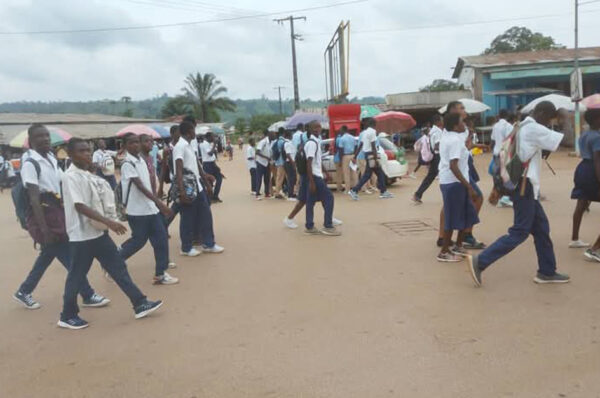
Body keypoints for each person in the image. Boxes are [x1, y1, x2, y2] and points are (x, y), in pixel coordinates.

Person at [59, 138, 162, 329]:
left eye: (88, 151)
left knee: (118, 268)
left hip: (98, 233)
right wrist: (110, 222)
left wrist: (107, 220)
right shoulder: (70, 177)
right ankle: (67, 315)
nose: (87, 154)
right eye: (82, 151)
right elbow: (79, 205)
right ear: (71, 154)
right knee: (77, 275)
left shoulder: (86, 174)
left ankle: (139, 303)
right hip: (82, 236)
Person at [468, 102, 570, 286]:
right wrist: (566, 118)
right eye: (548, 118)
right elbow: (567, 140)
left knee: (542, 229)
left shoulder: (520, 126)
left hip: (519, 183)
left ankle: (547, 271)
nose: (548, 122)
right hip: (525, 186)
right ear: (541, 113)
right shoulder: (533, 128)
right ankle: (481, 261)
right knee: (520, 231)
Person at [13, 125, 109, 310]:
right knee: (69, 257)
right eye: (40, 137)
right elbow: (34, 198)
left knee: (48, 254)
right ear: (31, 141)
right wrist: (45, 231)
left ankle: (24, 291)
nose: (45, 139)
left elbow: (63, 182)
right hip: (45, 216)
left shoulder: (50, 158)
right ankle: (87, 294)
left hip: (57, 213)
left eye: (47, 136)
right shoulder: (30, 164)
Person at [118, 133, 178, 285]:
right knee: (139, 241)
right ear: (124, 146)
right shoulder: (127, 164)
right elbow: (140, 187)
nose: (136, 145)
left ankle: (160, 274)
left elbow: (149, 182)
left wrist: (157, 199)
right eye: (131, 143)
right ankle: (115, 260)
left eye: (137, 142)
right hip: (137, 211)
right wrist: (160, 203)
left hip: (150, 208)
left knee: (161, 238)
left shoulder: (142, 161)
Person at [174, 121, 224, 256]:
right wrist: (182, 190)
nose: (195, 133)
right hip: (188, 187)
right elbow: (179, 169)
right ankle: (186, 248)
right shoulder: (180, 147)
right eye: (193, 130)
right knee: (187, 217)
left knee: (205, 214)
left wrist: (206, 183)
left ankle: (208, 243)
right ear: (189, 131)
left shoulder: (189, 145)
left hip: (198, 185)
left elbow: (197, 164)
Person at [436, 114, 479, 262]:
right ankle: (444, 252)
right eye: (462, 122)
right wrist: (469, 187)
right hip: (454, 183)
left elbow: (462, 154)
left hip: (457, 181)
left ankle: (458, 245)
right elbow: (453, 165)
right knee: (453, 217)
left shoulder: (453, 137)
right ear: (455, 126)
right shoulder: (453, 140)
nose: (464, 125)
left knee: (466, 214)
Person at [570, 108, 600, 257]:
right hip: (593, 171)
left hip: (582, 169)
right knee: (582, 203)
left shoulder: (584, 134)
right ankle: (595, 249)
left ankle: (574, 238)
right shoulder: (597, 137)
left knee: (581, 203)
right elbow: (597, 161)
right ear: (596, 120)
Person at [304, 121, 341, 236]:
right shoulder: (312, 143)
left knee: (310, 201)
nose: (318, 129)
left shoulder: (316, 142)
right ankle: (328, 226)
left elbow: (317, 161)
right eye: (315, 127)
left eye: (319, 127)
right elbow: (308, 163)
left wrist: (325, 173)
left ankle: (309, 226)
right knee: (329, 198)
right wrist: (312, 182)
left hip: (316, 175)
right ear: (310, 130)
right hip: (314, 176)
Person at [348, 118, 393, 200]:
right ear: (374, 124)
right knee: (372, 174)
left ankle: (383, 191)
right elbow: (373, 146)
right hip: (372, 155)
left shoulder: (364, 133)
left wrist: (355, 156)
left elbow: (360, 145)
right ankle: (354, 190)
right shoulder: (372, 132)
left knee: (377, 173)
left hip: (367, 154)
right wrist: (376, 159)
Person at [413, 114, 443, 203]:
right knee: (435, 176)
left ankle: (418, 194)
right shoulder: (437, 131)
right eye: (441, 120)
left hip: (435, 156)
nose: (443, 121)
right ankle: (417, 194)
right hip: (438, 156)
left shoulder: (432, 131)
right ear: (438, 122)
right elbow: (437, 145)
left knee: (431, 176)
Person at [490, 109, 515, 208]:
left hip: (496, 153)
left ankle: (498, 196)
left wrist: (493, 151)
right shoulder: (508, 126)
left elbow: (492, 141)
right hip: (505, 153)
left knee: (497, 176)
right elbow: (511, 140)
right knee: (506, 176)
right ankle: (505, 198)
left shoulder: (495, 126)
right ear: (507, 116)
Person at [200, 132, 224, 203]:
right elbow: (210, 154)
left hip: (212, 164)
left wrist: (216, 166)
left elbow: (214, 155)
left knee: (219, 179)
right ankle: (210, 198)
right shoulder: (204, 144)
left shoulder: (209, 144)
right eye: (213, 137)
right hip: (207, 165)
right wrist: (215, 144)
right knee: (209, 182)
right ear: (208, 137)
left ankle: (215, 196)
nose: (214, 138)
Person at [339, 125, 358, 190]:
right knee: (354, 172)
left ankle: (347, 189)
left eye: (340, 130)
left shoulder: (342, 139)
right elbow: (356, 147)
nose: (340, 131)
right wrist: (355, 156)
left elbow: (341, 150)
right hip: (352, 155)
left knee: (346, 173)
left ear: (343, 130)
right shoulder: (353, 137)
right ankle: (356, 188)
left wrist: (340, 160)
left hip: (345, 156)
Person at [255, 130, 272, 200]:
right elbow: (257, 152)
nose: (274, 135)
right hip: (261, 163)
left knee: (267, 178)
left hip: (267, 163)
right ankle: (257, 194)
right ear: (269, 134)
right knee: (259, 178)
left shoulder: (271, 143)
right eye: (272, 134)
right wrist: (266, 157)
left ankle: (267, 193)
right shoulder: (263, 142)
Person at [272, 128, 287, 199]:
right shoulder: (282, 141)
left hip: (278, 161)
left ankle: (279, 191)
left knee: (279, 177)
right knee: (280, 177)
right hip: (282, 162)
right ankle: (277, 193)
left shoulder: (277, 141)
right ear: (283, 133)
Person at [283, 130, 298, 200]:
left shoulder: (289, 143)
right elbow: (288, 154)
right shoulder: (287, 143)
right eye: (291, 135)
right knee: (291, 179)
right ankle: (290, 195)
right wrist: (293, 164)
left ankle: (292, 193)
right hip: (289, 163)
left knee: (293, 178)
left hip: (291, 162)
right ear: (289, 135)